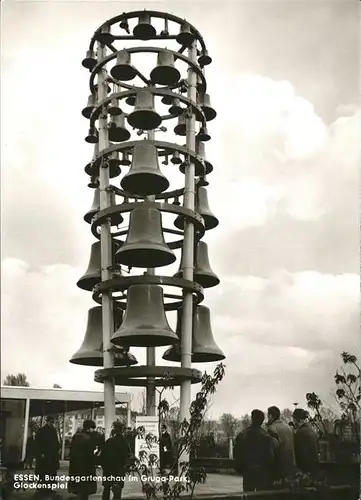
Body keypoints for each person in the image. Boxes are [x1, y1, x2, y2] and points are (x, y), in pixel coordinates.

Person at [233, 409, 278, 492]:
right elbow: (270, 456)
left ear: (252, 418)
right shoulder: (266, 436)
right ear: (262, 420)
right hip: (262, 472)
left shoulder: (243, 435)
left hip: (248, 471)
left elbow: (237, 453)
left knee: (248, 494)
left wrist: (240, 468)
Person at [68, 420, 99, 500]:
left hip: (75, 466)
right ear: (89, 428)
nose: (93, 430)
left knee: (78, 488)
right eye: (92, 428)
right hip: (86, 468)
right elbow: (90, 455)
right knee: (85, 490)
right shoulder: (88, 439)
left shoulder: (76, 436)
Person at [100, 421, 131, 500]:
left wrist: (104, 466)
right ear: (122, 431)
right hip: (119, 470)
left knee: (106, 490)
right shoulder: (124, 443)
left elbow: (102, 456)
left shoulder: (109, 441)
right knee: (117, 492)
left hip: (108, 470)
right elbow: (128, 457)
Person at [267, 406, 296, 479]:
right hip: (290, 463)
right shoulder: (288, 427)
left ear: (270, 416)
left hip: (278, 464)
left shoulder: (272, 428)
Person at [34, 416, 60, 495]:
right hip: (47, 455)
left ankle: (45, 487)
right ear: (48, 421)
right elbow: (38, 443)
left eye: (53, 422)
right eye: (51, 422)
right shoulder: (48, 431)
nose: (52, 423)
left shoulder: (43, 431)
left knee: (45, 472)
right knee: (47, 472)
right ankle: (45, 487)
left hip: (48, 455)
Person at [293, 409, 319, 474]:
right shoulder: (311, 430)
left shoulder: (300, 432)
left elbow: (300, 451)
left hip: (305, 466)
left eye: (294, 418)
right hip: (314, 464)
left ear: (297, 419)